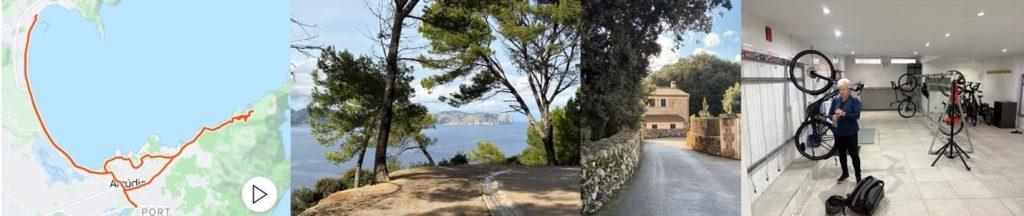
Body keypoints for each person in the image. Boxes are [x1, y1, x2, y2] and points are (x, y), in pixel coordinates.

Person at [829, 78, 862, 183]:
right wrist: (832, 117)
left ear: (849, 90)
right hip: (839, 132)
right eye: (840, 89)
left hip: (851, 132)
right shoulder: (836, 100)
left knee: (853, 154)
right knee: (842, 154)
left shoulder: (854, 101)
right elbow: (830, 113)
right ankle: (845, 173)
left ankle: (858, 176)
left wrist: (844, 114)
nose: (841, 92)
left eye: (843, 89)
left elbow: (856, 115)